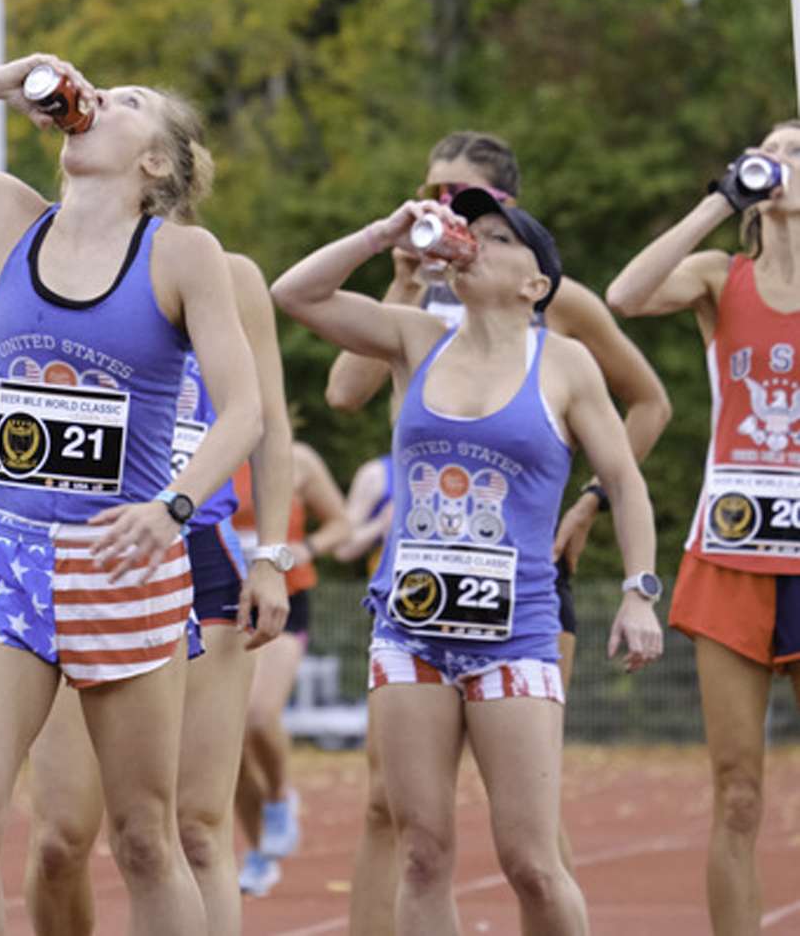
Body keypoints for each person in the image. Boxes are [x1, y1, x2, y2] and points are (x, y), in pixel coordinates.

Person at [0, 54, 262, 936]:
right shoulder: (8, 217)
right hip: (7, 554)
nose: (100, 97)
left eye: (130, 100)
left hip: (123, 559)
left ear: (156, 161)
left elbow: (245, 411)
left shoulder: (184, 254)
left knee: (145, 837)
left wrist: (173, 507)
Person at [273, 188, 663, 935]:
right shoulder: (417, 336)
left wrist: (639, 592)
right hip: (409, 630)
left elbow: (625, 481)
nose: (471, 241)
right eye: (467, 230)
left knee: (532, 863)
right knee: (421, 853)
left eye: (495, 236)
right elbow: (295, 292)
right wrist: (384, 235)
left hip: (515, 637)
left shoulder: (566, 364)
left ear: (535, 283)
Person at [22, 225, 294, 936]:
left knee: (194, 828)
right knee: (60, 838)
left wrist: (271, 555)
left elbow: (268, 424)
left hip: (200, 550)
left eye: (131, 105)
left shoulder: (230, 275)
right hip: (82, 550)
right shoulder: (53, 255)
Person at [606, 123, 800, 936]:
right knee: (738, 788)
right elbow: (625, 295)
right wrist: (723, 200)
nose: (783, 164)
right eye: (772, 151)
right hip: (733, 555)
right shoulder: (722, 278)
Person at [234, 441, 351, 897]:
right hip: (224, 604)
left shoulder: (298, 459)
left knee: (259, 715)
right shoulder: (206, 446)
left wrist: (307, 548)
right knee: (228, 746)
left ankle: (280, 797)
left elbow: (342, 524)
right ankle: (260, 850)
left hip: (285, 601)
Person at [336, 453, 394, 570]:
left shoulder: (441, 472)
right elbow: (342, 548)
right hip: (392, 582)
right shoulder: (376, 474)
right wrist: (382, 523)